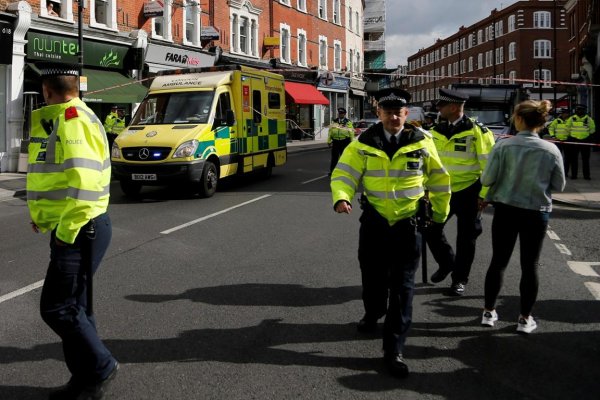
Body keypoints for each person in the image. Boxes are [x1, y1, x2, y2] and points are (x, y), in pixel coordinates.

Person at [330, 88, 451, 378]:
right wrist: (342, 196)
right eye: (388, 111)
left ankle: (394, 348)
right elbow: (345, 172)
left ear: (406, 114)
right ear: (379, 113)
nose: (394, 116)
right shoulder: (363, 142)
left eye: (399, 112)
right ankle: (373, 312)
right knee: (371, 276)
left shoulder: (423, 142)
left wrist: (439, 215)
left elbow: (439, 178)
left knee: (402, 287)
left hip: (409, 224)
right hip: (374, 221)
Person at [27, 62, 118, 399]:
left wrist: (64, 234)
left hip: (81, 229)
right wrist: (46, 216)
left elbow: (84, 186)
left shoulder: (72, 121)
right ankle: (84, 381)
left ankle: (101, 367)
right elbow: (63, 178)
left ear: (47, 90)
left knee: (58, 308)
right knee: (74, 309)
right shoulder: (75, 117)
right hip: (79, 225)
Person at [480, 99, 565, 334]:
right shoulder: (551, 149)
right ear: (541, 121)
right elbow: (559, 185)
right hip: (536, 212)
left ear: (518, 119)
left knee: (498, 261)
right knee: (530, 265)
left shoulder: (503, 146)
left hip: (506, 209)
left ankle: (488, 312)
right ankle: (525, 318)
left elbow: (487, 179)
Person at [426, 88, 496, 296]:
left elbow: (489, 166)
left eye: (441, 105)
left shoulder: (477, 131)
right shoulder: (436, 130)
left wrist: (484, 194)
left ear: (454, 107)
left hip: (469, 191)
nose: (438, 108)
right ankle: (448, 262)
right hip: (441, 191)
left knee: (466, 239)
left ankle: (459, 279)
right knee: (430, 230)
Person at [565, 104, 596, 180]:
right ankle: (574, 175)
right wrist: (571, 136)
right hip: (574, 140)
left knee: (585, 160)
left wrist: (588, 135)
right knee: (573, 159)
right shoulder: (572, 119)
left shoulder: (588, 119)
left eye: (581, 110)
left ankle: (586, 176)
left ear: (584, 111)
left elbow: (593, 129)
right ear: (576, 111)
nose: (579, 111)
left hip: (585, 141)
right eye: (578, 110)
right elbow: (567, 128)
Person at [327, 107, 354, 174]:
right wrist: (329, 141)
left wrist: (352, 141)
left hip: (344, 141)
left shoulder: (348, 122)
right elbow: (330, 131)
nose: (340, 114)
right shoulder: (334, 121)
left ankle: (344, 171)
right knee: (334, 158)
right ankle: (332, 171)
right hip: (336, 141)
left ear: (344, 114)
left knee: (344, 157)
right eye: (339, 113)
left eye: (341, 113)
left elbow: (351, 132)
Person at [547, 107, 571, 174]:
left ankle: (565, 172)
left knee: (567, 158)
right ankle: (557, 171)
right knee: (557, 157)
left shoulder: (570, 120)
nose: (563, 114)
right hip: (558, 141)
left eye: (565, 113)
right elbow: (551, 128)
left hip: (567, 141)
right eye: (563, 113)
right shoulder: (557, 120)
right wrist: (553, 136)